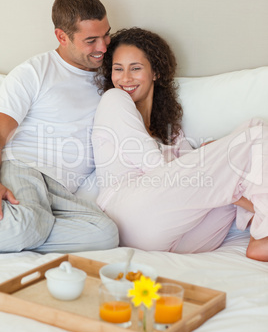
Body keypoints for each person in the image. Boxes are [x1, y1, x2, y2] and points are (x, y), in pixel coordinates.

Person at [92, 27, 268, 261]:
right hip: (131, 215)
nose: (125, 78)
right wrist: (214, 169)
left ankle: (260, 237)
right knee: (254, 138)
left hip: (182, 236)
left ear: (155, 72)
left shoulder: (171, 131)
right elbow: (156, 167)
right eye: (118, 69)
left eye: (135, 68)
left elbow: (194, 187)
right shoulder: (114, 100)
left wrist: (216, 168)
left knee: (252, 130)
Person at [0, 0, 119, 253]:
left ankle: (24, 230)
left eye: (106, 35)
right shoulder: (34, 72)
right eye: (91, 40)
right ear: (61, 36)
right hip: (25, 168)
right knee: (27, 224)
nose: (102, 47)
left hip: (60, 190)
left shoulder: (116, 75)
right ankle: (24, 228)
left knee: (105, 234)